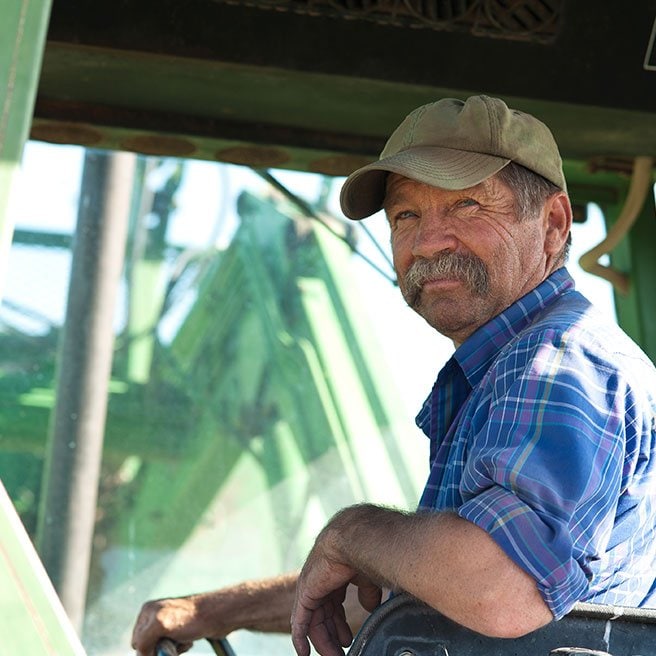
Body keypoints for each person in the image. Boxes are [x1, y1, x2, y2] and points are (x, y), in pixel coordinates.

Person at [131, 95, 656, 656]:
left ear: (552, 224)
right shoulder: (500, 375)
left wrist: (351, 532)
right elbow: (418, 594)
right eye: (407, 216)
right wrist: (212, 612)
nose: (429, 242)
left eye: (467, 206)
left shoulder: (560, 365)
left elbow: (502, 588)